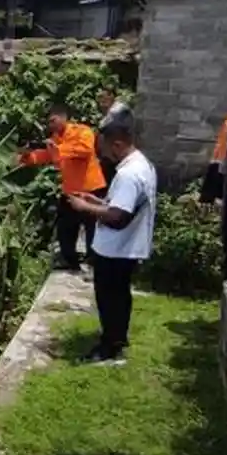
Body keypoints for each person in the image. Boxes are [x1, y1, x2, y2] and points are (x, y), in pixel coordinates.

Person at [65, 119, 157, 365]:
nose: (101, 155)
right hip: (127, 247)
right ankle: (118, 338)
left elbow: (118, 218)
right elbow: (121, 207)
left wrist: (84, 207)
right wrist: (96, 202)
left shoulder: (128, 174)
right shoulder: (142, 165)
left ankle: (109, 348)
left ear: (116, 145)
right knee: (120, 296)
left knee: (109, 298)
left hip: (117, 248)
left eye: (103, 149)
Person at [20, 103, 107, 271]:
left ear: (63, 117)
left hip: (91, 188)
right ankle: (69, 260)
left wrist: (58, 149)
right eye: (49, 122)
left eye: (53, 120)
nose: (51, 125)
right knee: (65, 227)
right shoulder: (55, 138)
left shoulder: (83, 131)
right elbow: (46, 155)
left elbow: (85, 150)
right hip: (70, 190)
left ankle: (93, 263)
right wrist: (27, 157)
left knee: (92, 228)